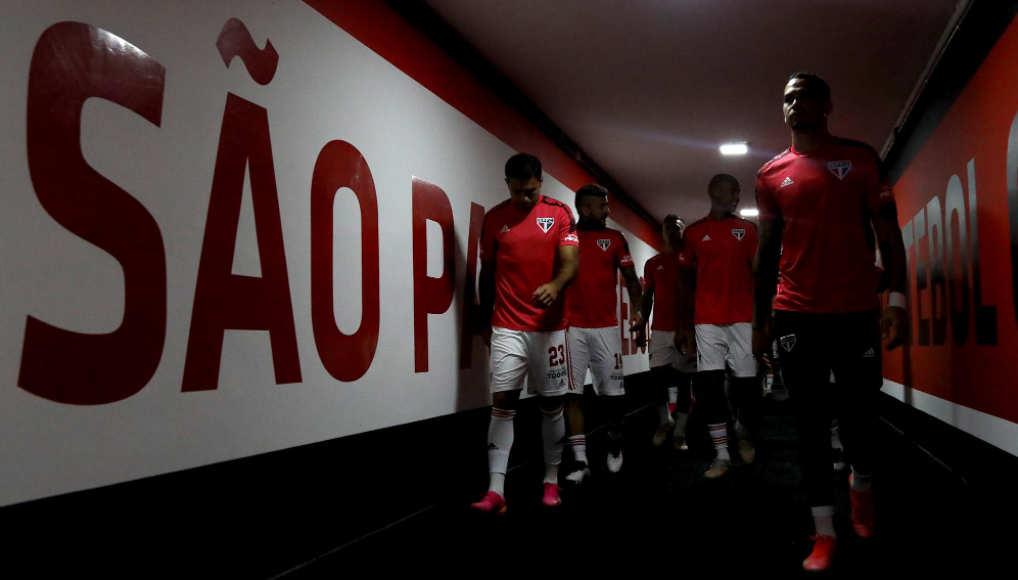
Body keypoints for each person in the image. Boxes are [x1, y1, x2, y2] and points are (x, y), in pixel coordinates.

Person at [753, 73, 908, 571]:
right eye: (786, 97)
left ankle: (861, 485)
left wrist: (899, 300)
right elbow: (767, 250)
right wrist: (760, 320)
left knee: (860, 419)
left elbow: (888, 233)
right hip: (796, 311)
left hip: (856, 310)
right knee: (809, 425)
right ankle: (823, 530)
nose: (792, 103)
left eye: (802, 95)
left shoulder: (860, 158)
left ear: (826, 105)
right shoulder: (771, 174)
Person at [470, 153, 581, 515]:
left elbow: (571, 262)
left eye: (531, 191)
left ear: (541, 183)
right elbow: (487, 274)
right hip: (506, 326)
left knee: (551, 406)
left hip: (549, 329)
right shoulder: (495, 218)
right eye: (519, 192)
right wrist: (483, 319)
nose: (526, 199)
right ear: (507, 185)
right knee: (502, 402)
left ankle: (551, 480)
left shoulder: (560, 213)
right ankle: (496, 490)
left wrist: (555, 283)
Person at [677, 174, 759, 479]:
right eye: (732, 189)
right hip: (707, 320)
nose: (737, 194)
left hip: (743, 319)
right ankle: (722, 454)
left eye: (739, 190)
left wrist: (764, 321)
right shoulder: (695, 232)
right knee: (710, 387)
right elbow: (684, 282)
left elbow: (758, 277)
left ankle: (743, 429)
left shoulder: (748, 229)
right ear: (713, 191)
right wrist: (683, 326)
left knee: (748, 390)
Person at [563, 184, 643, 482]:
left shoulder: (615, 238)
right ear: (585, 209)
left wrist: (638, 310)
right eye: (603, 206)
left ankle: (613, 442)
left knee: (613, 397)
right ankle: (581, 461)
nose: (608, 211)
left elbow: (632, 280)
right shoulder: (565, 237)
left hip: (606, 329)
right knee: (571, 394)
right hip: (570, 329)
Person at [634, 215, 696, 448]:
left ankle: (680, 433)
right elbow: (648, 297)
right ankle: (664, 421)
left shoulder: (691, 261)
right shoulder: (653, 263)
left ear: (683, 232)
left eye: (677, 228)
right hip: (660, 330)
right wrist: (641, 326)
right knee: (656, 378)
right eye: (668, 228)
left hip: (686, 330)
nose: (672, 231)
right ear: (662, 232)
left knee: (684, 382)